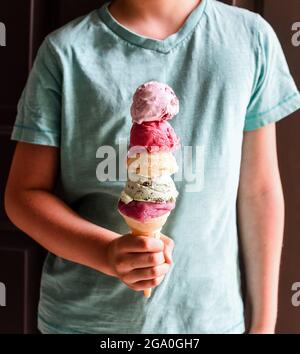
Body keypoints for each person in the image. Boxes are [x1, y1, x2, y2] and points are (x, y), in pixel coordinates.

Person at [4, 0, 300, 334]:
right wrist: (106, 252)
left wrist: (264, 324)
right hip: (85, 322)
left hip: (209, 321)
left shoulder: (250, 38)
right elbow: (24, 195)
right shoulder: (66, 52)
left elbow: (258, 191)